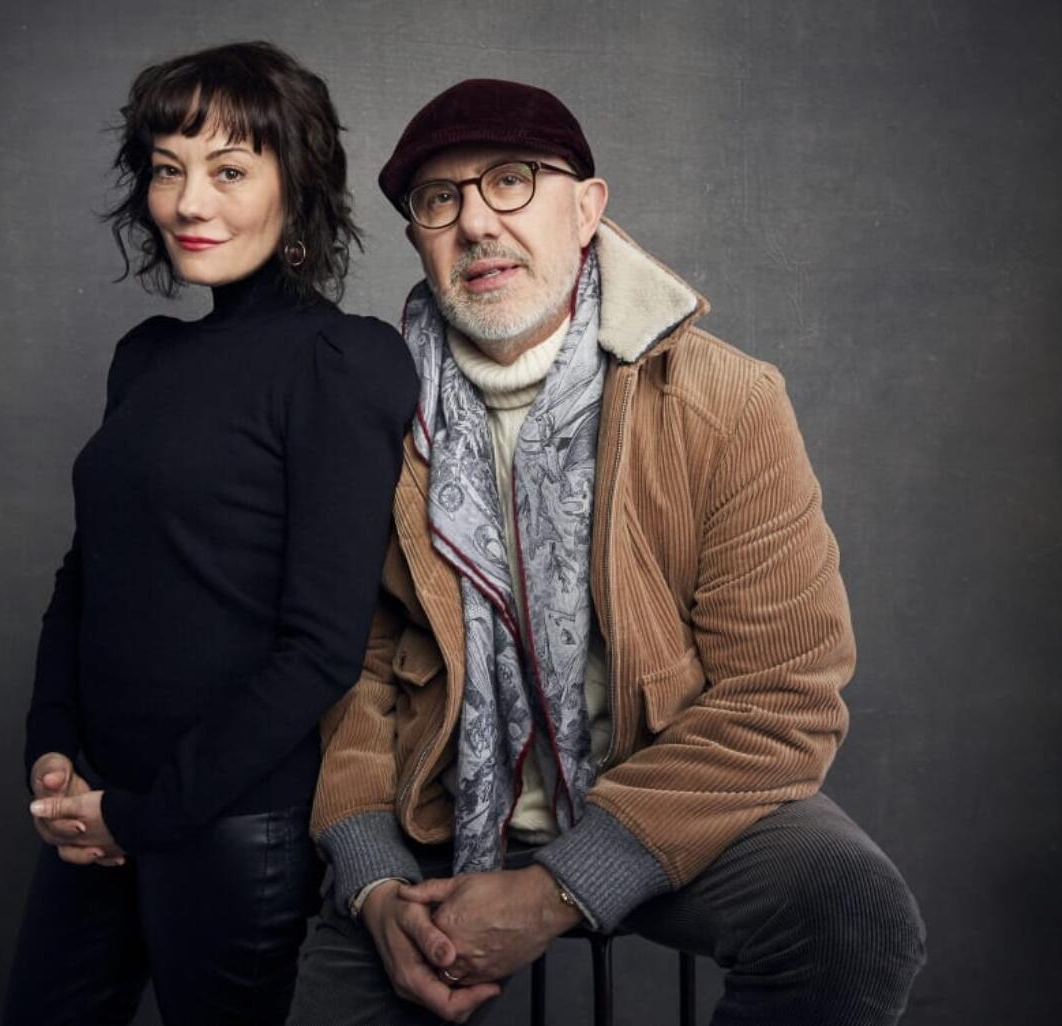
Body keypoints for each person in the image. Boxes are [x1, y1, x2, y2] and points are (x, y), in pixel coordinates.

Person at [287, 79, 926, 1025]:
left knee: (851, 913)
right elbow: (353, 674)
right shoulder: (371, 410)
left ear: (588, 206)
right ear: (419, 235)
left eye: (511, 181)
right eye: (439, 199)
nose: (474, 222)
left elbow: (782, 694)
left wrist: (554, 892)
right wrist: (374, 881)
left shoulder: (727, 401)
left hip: (673, 809)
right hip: (439, 822)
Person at [2, 42, 417, 1026]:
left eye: (229, 170)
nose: (190, 203)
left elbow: (319, 647)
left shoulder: (341, 360)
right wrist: (53, 751)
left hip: (235, 825)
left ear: (297, 182)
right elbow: (86, 574)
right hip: (94, 808)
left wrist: (143, 817)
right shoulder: (144, 358)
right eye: (166, 169)